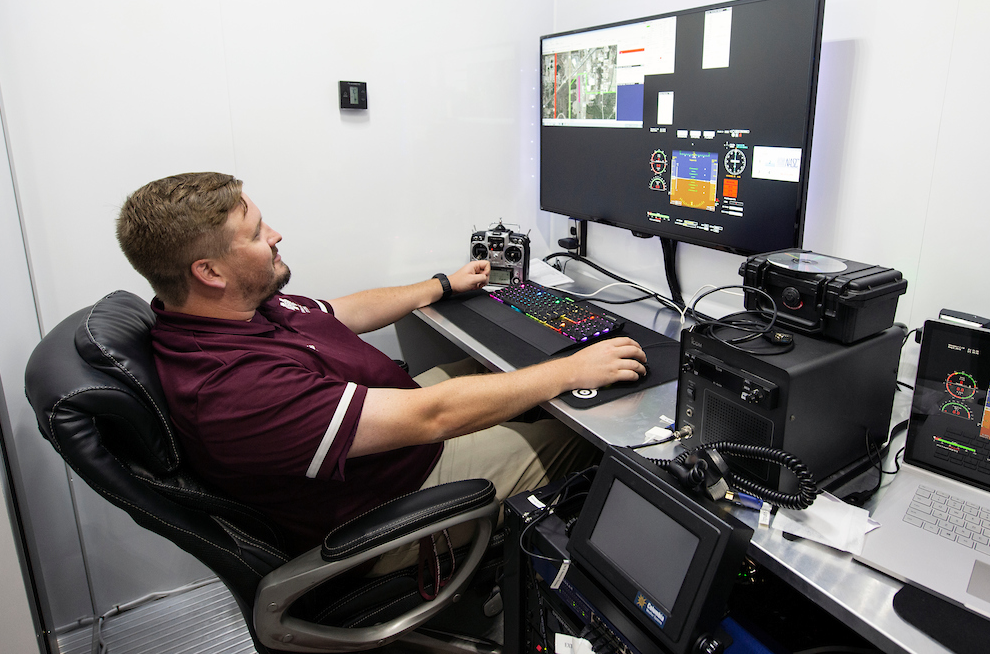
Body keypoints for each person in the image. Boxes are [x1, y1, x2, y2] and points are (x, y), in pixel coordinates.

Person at [115, 172, 646, 558]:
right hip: (397, 495)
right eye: (255, 234)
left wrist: (441, 285)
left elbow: (343, 312)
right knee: (589, 432)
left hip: (390, 434)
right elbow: (431, 418)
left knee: (504, 374)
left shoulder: (238, 310)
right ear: (208, 271)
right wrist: (569, 372)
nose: (275, 235)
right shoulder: (232, 388)